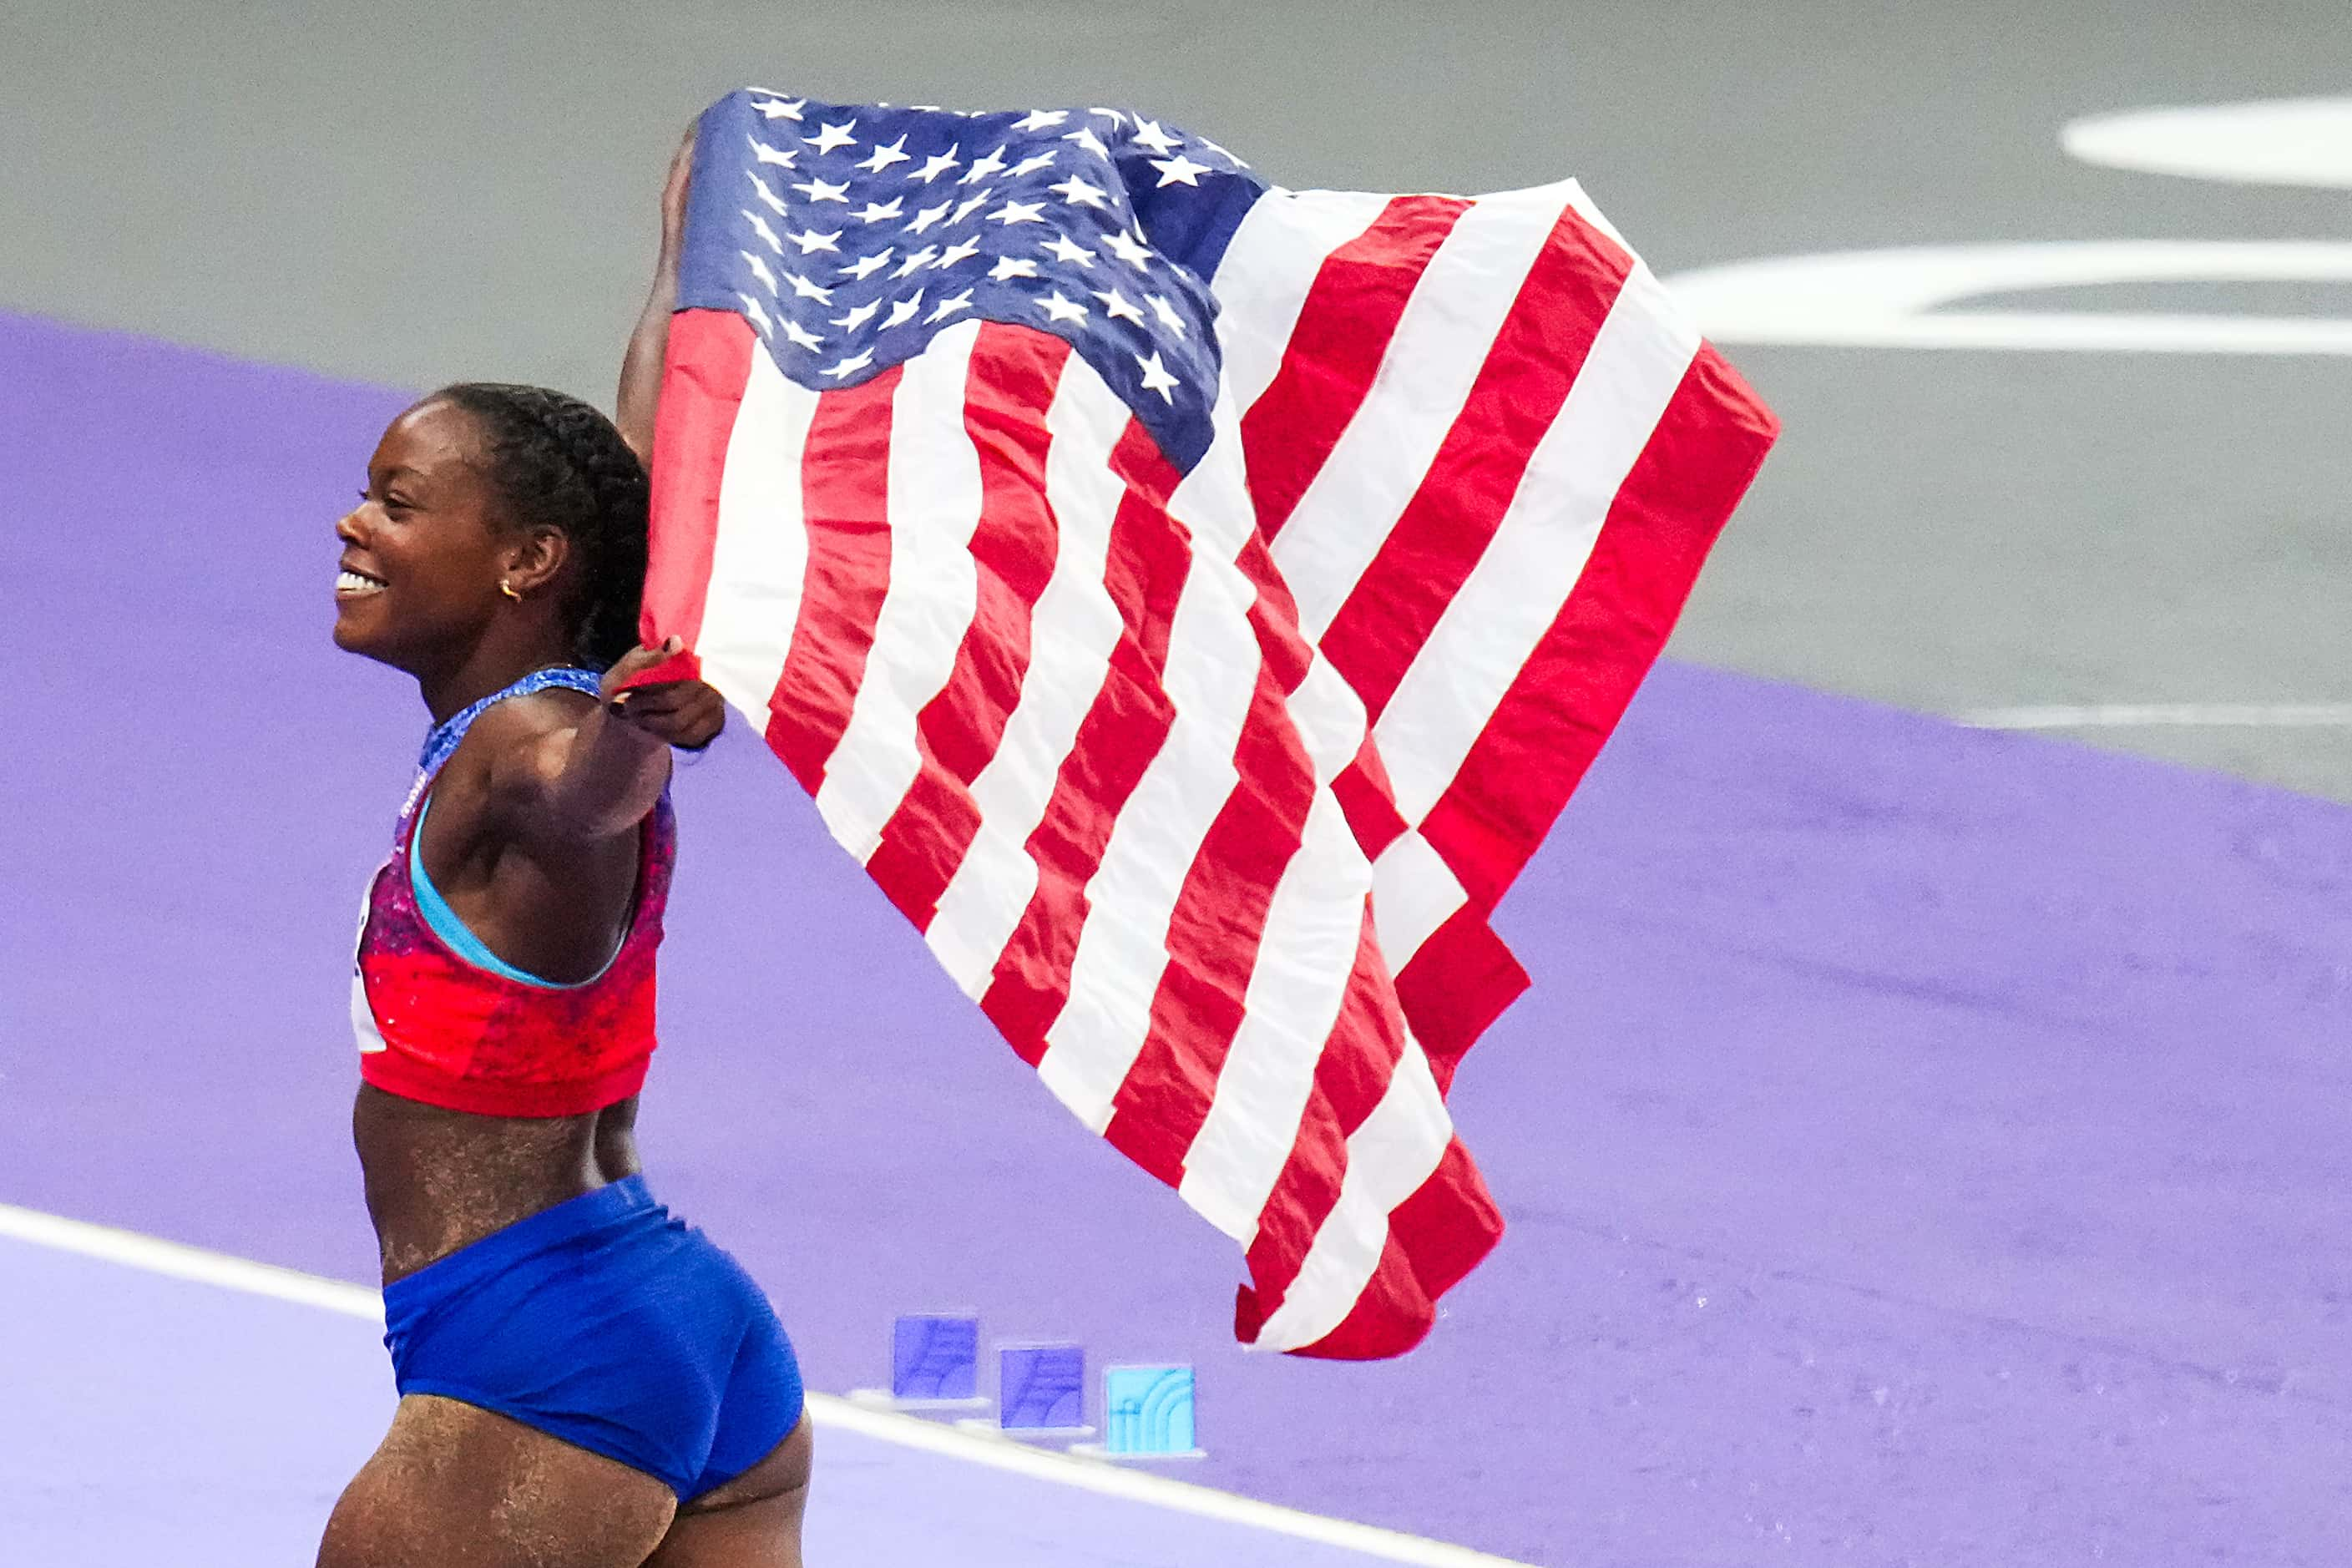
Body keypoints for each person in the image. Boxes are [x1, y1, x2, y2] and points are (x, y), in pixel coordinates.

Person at [316, 131, 811, 1567]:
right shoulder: (525, 708)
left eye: (400, 504)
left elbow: (587, 790)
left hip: (542, 1373)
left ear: (526, 561)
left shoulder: (523, 752)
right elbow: (649, 504)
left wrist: (642, 730)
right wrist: (686, 266)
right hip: (692, 1338)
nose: (355, 522)